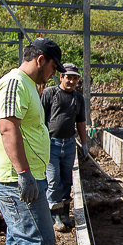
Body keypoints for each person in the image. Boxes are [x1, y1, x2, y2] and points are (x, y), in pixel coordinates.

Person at [0, 37, 67, 245]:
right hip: (17, 179)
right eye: (53, 67)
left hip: (26, 176)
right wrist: (23, 174)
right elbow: (8, 127)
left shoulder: (28, 86)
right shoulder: (15, 83)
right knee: (41, 242)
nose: (53, 74)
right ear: (41, 60)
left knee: (18, 240)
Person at [41, 63, 89, 233]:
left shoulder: (78, 98)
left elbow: (81, 121)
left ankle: (64, 213)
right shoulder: (50, 94)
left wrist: (84, 143)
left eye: (75, 78)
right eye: (68, 77)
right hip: (51, 143)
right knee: (53, 180)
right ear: (61, 77)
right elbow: (40, 119)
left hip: (69, 144)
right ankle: (54, 216)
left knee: (67, 181)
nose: (71, 81)